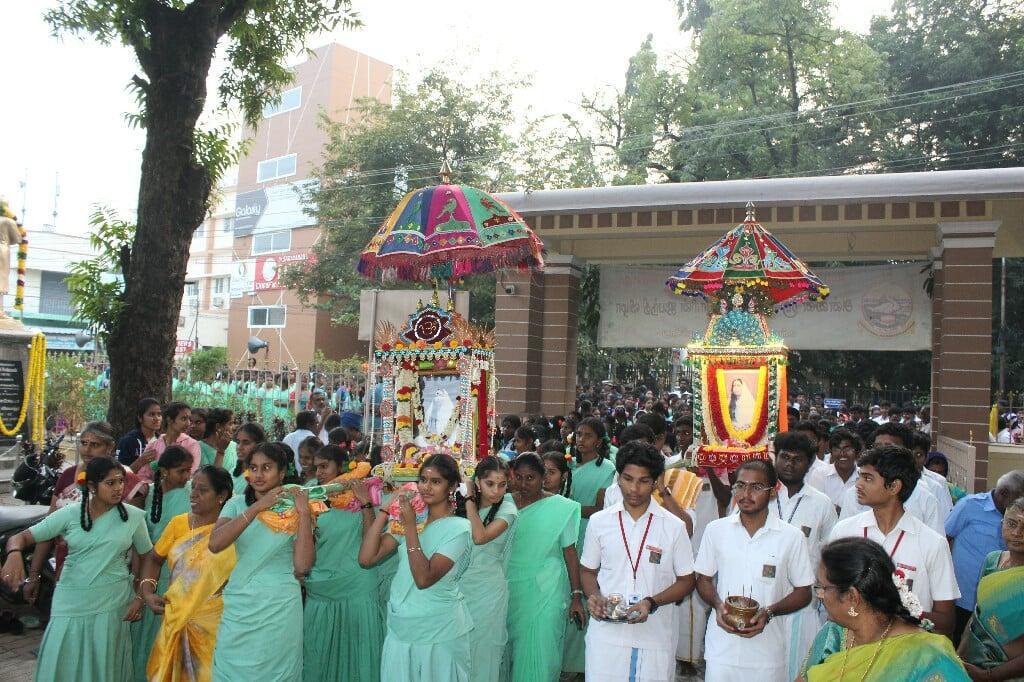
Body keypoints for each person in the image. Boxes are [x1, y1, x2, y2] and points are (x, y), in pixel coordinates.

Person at [2, 457, 153, 681]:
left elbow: (148, 556)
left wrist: (141, 596)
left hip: (112, 602)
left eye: (121, 481)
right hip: (70, 600)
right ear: (91, 486)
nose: (118, 488)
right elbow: (20, 538)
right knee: (63, 657)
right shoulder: (70, 514)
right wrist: (14, 554)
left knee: (104, 663)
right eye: (110, 483)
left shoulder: (132, 517)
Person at [582, 441, 696, 681]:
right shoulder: (600, 522)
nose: (634, 488)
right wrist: (594, 596)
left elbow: (687, 580)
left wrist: (651, 602)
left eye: (643, 481)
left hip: (654, 637)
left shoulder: (673, 527)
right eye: (628, 479)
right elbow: (588, 570)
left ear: (655, 482)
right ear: (618, 478)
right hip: (606, 636)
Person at [695, 459, 814, 682]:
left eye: (756, 487)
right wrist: (719, 606)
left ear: (773, 491)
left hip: (767, 655)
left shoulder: (791, 537)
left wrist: (769, 612)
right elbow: (703, 579)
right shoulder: (716, 530)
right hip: (721, 650)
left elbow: (804, 591)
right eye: (740, 485)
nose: (746, 494)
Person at [358, 454, 474, 681]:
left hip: (439, 629)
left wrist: (410, 526)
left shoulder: (459, 528)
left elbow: (423, 578)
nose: (426, 487)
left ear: (452, 487)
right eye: (423, 480)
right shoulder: (414, 518)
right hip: (402, 625)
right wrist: (385, 511)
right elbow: (366, 559)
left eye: (436, 481)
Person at [829, 445, 960, 637]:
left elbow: (946, 622)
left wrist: (897, 613)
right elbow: (829, 598)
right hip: (851, 647)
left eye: (868, 478)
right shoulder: (844, 532)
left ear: (894, 487)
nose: (858, 484)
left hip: (907, 649)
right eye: (859, 476)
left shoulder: (932, 543)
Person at [208, 443, 313, 680]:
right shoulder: (236, 504)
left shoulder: (295, 508)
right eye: (253, 468)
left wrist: (305, 514)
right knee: (230, 667)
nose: (258, 474)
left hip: (280, 605)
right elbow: (215, 544)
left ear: (282, 473)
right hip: (240, 602)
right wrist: (257, 508)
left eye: (266, 468)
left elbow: (303, 566)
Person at [799, 537, 969, 681]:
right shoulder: (833, 634)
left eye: (823, 588)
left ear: (852, 597)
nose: (819, 595)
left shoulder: (928, 657)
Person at [139, 466, 237, 682]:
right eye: (193, 488)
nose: (193, 495)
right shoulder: (178, 524)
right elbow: (154, 559)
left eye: (203, 490)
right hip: (176, 615)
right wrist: (147, 591)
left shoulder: (233, 530)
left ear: (221, 496)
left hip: (215, 623)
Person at [303, 445, 384, 682]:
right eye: (316, 467)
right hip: (321, 585)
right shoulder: (312, 493)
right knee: (318, 655)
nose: (319, 472)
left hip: (357, 584)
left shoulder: (365, 489)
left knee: (358, 654)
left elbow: (371, 541)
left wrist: (365, 502)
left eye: (324, 466)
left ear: (341, 466)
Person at [506, 452, 585, 682]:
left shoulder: (560, 508)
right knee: (512, 656)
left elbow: (570, 553)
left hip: (546, 590)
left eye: (530, 478)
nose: (523, 483)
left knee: (541, 651)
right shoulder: (504, 502)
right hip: (511, 589)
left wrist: (576, 595)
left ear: (543, 478)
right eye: (519, 477)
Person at [36, 421, 147, 586]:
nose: (86, 450)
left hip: (110, 576)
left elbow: (138, 541)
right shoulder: (68, 476)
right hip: (66, 572)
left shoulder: (126, 480)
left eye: (94, 445)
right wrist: (34, 575)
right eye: (83, 443)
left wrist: (137, 582)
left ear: (110, 447)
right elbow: (48, 528)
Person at [770, 431, 839, 679]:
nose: (789, 464)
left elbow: (831, 552)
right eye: (784, 457)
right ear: (775, 457)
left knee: (797, 667)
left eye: (797, 459)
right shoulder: (758, 496)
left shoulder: (821, 503)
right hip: (763, 597)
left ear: (809, 463)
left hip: (803, 603)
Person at [133, 445, 194, 681]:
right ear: (165, 471)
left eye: (189, 470)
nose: (187, 476)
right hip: (150, 571)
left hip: (179, 573)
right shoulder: (146, 493)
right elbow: (137, 538)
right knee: (147, 633)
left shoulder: (192, 494)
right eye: (181, 471)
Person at [945, 470, 1024, 644]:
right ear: (1004, 493)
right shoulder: (969, 506)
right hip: (963, 596)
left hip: (1004, 604)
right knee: (959, 642)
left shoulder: (1018, 519)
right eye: (1019, 498)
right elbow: (945, 539)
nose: (1017, 532)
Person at [564, 417, 616, 674]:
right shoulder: (569, 464)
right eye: (578, 434)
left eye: (587, 435)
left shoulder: (606, 469)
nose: (581, 440)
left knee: (583, 595)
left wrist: (565, 509)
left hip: (588, 535)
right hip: (565, 535)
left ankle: (578, 664)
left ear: (599, 441)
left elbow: (599, 508)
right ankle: (562, 659)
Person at [459, 456, 518, 682]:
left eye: (502, 485)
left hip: (488, 591)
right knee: (460, 649)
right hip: (460, 587)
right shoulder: (461, 505)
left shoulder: (508, 509)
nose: (496, 491)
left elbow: (480, 537)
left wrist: (469, 500)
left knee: (484, 650)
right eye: (490, 484)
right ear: (478, 482)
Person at [958, 496, 1024, 681]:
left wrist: (988, 676)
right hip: (976, 662)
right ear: (1001, 524)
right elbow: (977, 615)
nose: (1017, 532)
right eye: (1012, 523)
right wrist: (959, 656)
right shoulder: (992, 560)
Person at [135, 402, 203, 482]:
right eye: (183, 419)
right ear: (170, 420)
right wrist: (154, 485)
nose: (188, 423)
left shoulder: (192, 444)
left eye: (189, 419)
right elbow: (142, 475)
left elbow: (191, 474)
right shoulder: (153, 446)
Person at [808, 428, 861, 511]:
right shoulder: (820, 474)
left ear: (856, 452)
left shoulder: (863, 476)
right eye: (837, 449)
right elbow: (814, 507)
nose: (842, 454)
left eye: (847, 449)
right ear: (831, 452)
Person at [116, 398, 162, 468]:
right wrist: (140, 461)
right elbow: (119, 472)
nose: (157, 418)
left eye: (159, 414)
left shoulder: (162, 440)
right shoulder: (127, 441)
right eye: (151, 414)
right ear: (140, 418)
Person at [230, 422, 265, 494]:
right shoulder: (231, 472)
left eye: (246, 443)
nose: (239, 447)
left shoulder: (262, 476)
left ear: (259, 445)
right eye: (238, 442)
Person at [198, 407, 237, 472]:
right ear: (218, 427)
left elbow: (243, 472)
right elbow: (212, 476)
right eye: (230, 424)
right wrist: (221, 451)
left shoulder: (234, 446)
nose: (234, 427)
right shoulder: (198, 447)